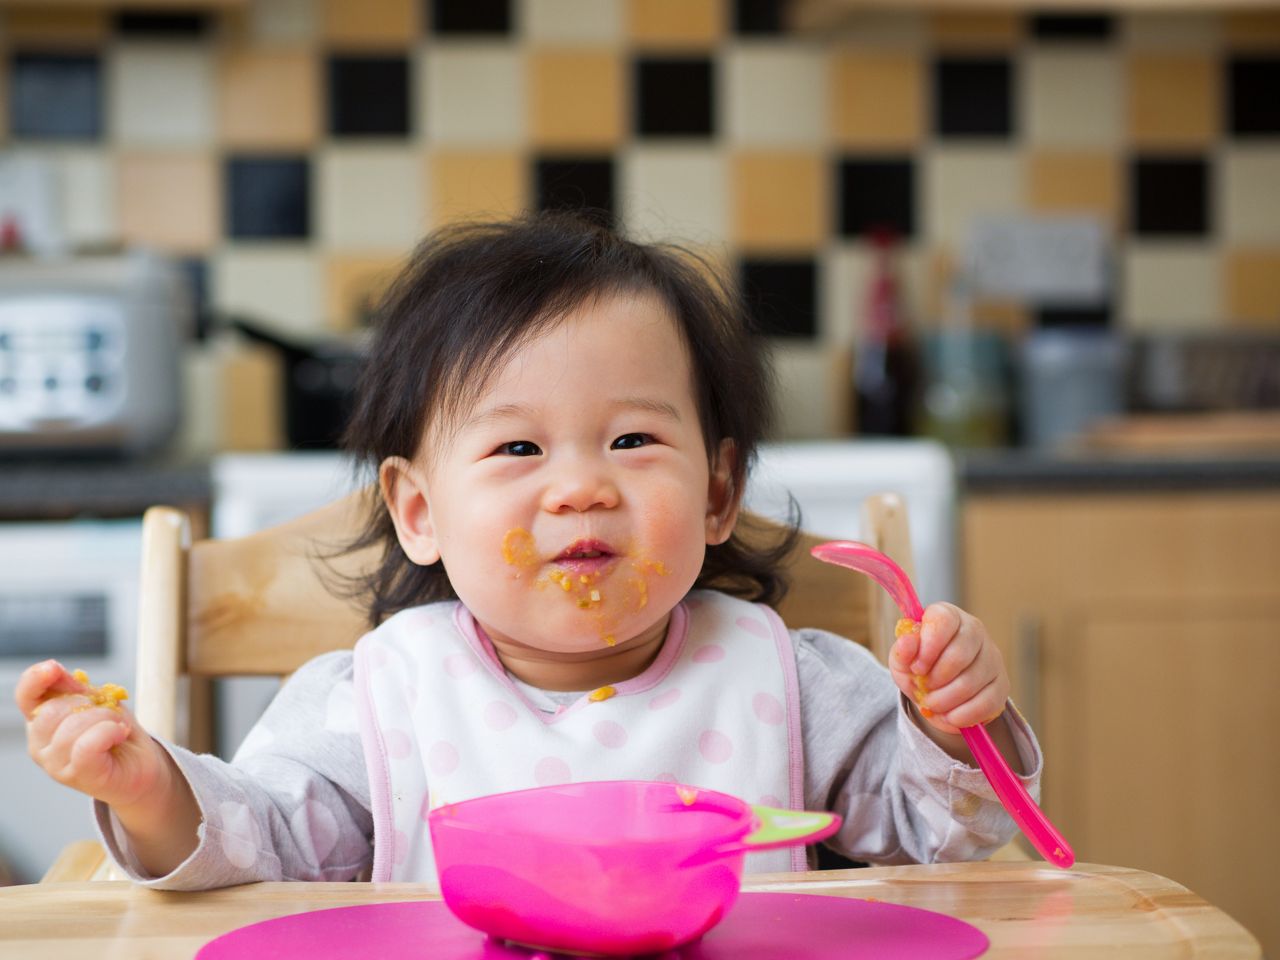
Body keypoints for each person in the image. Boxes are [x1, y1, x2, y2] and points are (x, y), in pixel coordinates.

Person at [15, 213, 1041, 890]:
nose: (580, 486)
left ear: (718, 489)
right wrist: (150, 790)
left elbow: (944, 842)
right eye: (516, 447)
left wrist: (952, 726)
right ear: (417, 512)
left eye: (632, 441)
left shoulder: (795, 681)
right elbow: (258, 848)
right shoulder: (377, 699)